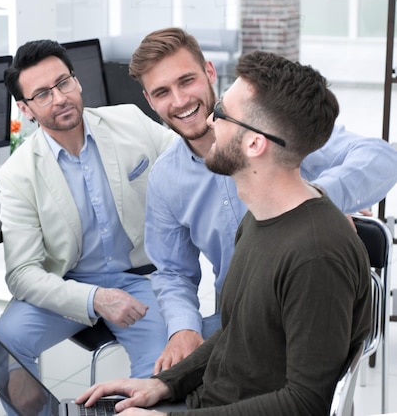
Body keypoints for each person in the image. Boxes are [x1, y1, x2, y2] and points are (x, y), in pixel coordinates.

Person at [76, 50, 372, 415]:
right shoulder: (259, 220)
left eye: (223, 113)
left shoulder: (315, 256)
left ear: (254, 143)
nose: (210, 121)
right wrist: (163, 384)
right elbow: (235, 333)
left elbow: (306, 403)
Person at [127, 27, 397, 373]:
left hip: (306, 310)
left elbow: (381, 158)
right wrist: (184, 327)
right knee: (151, 383)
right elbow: (174, 271)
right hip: (236, 321)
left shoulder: (270, 127)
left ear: (209, 72)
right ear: (149, 101)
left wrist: (317, 199)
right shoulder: (167, 178)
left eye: (186, 81)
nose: (179, 101)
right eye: (162, 92)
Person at [0, 39, 176, 406]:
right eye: (42, 94)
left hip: (140, 278)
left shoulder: (131, 122)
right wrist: (95, 299)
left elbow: (187, 160)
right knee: (1, 346)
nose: (59, 98)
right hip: (70, 285)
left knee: (160, 372)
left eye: (63, 83)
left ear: (77, 82)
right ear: (25, 109)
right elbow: (23, 274)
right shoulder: (18, 174)